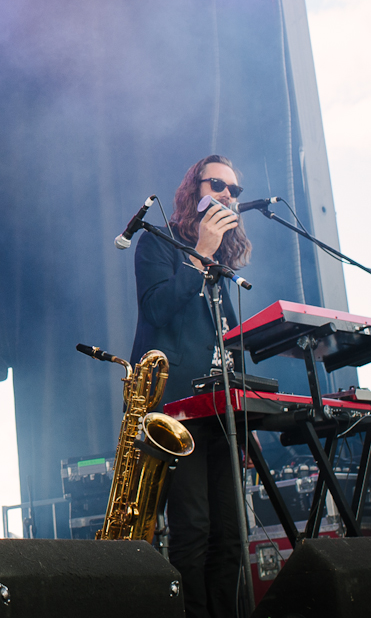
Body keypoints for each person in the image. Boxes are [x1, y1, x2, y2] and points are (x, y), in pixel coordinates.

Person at [129, 154, 251, 618]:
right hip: (177, 408)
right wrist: (200, 252)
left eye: (234, 190)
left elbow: (230, 338)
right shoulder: (157, 244)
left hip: (220, 412)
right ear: (192, 189)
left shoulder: (222, 267)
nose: (227, 195)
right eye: (217, 184)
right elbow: (156, 311)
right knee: (194, 528)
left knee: (230, 532)